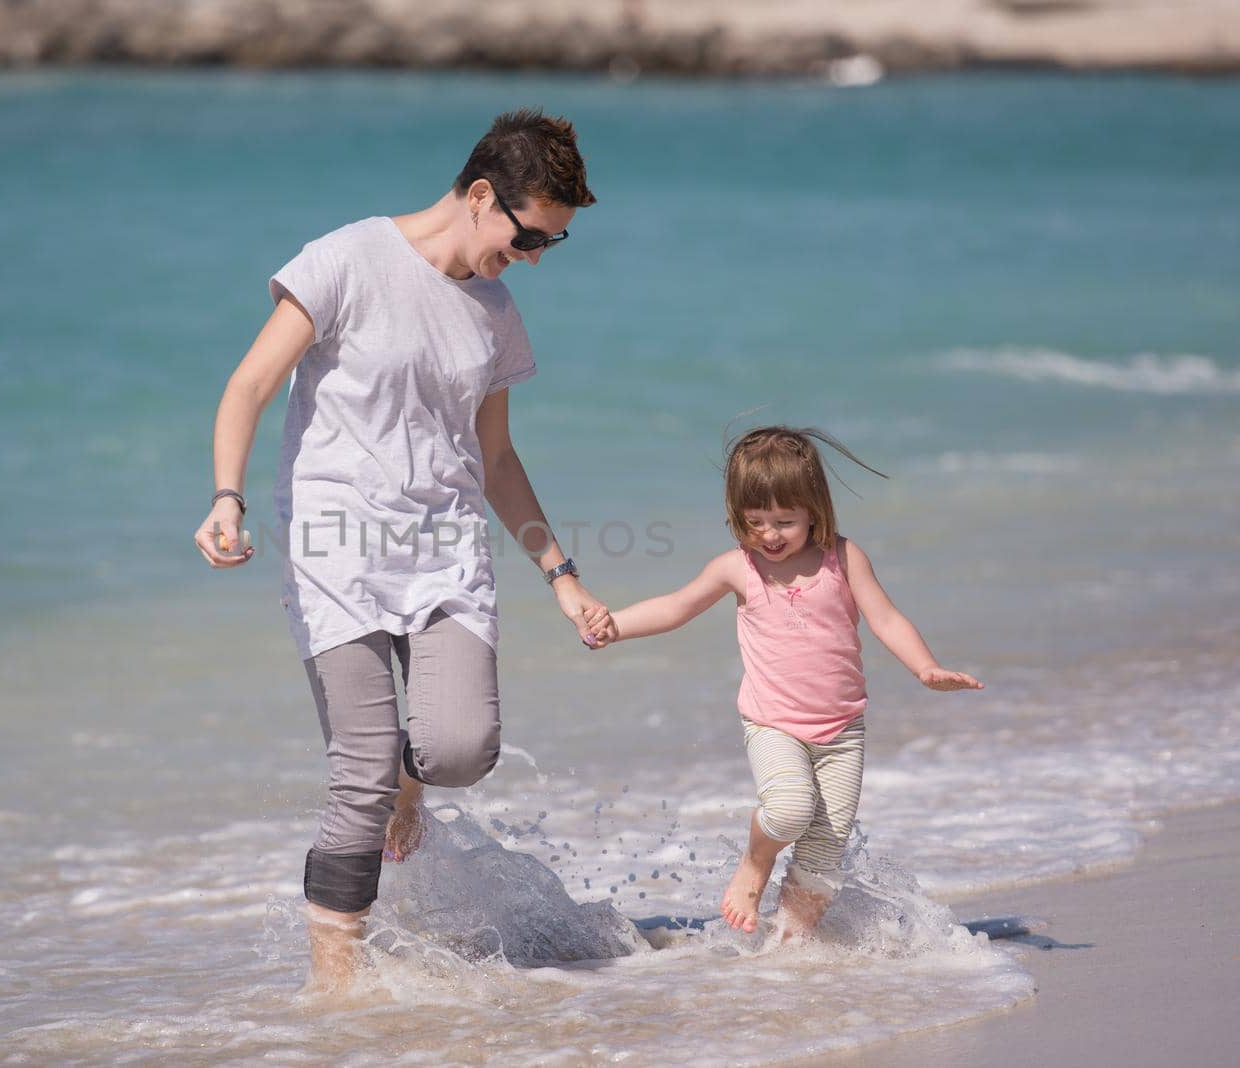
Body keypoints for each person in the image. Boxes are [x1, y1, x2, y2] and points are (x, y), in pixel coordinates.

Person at [192, 109, 612, 990]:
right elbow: (251, 383)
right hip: (335, 547)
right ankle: (337, 983)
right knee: (362, 771)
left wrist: (560, 574)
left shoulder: (495, 313)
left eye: (553, 245)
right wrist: (226, 497)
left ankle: (409, 786)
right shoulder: (347, 259)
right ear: (481, 195)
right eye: (531, 235)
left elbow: (495, 458)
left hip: (445, 549)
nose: (534, 258)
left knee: (460, 749)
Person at [587, 426, 982, 937]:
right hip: (774, 724)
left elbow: (886, 618)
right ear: (736, 517)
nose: (770, 535)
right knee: (791, 808)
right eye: (755, 522)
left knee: (826, 845)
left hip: (841, 730)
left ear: (814, 509)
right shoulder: (739, 569)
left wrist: (924, 667)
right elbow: (676, 607)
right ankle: (755, 864)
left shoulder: (843, 558)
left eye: (784, 521)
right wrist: (615, 626)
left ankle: (789, 944)